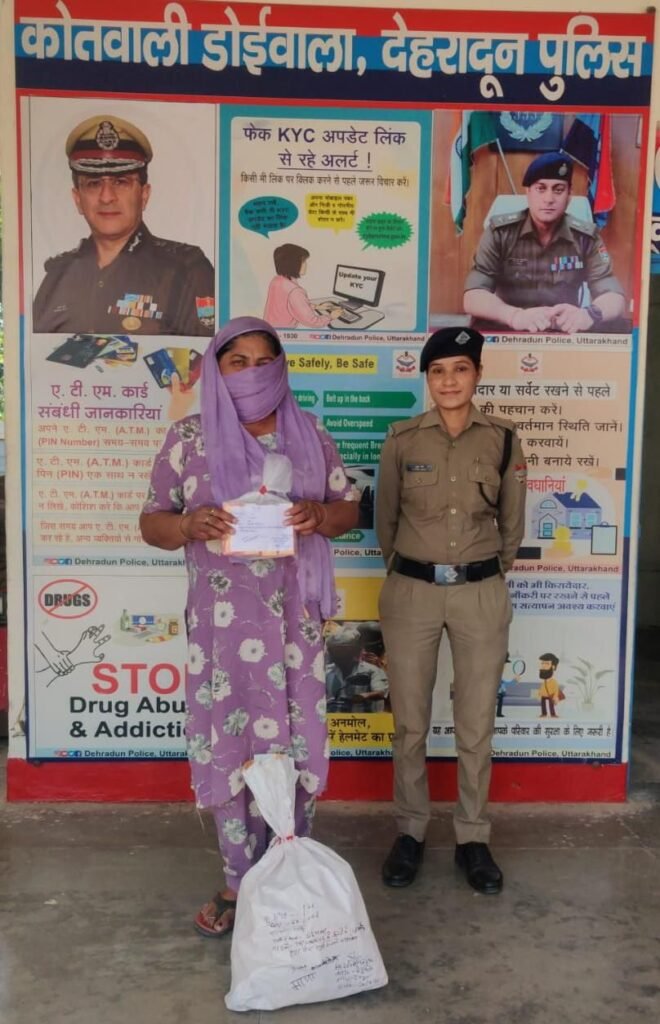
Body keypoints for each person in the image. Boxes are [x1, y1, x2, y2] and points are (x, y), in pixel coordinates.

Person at [139, 316, 357, 937]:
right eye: (238, 361)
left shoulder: (309, 435)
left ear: (281, 367)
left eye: (265, 361)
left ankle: (289, 866)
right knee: (231, 746)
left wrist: (319, 515)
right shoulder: (188, 439)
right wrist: (188, 525)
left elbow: (346, 508)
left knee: (296, 742)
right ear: (216, 369)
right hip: (223, 633)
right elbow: (152, 521)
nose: (253, 372)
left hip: (295, 626)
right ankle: (239, 880)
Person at [376, 326, 527, 895]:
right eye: (438, 371)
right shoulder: (402, 439)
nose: (449, 381)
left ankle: (472, 837)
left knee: (476, 722)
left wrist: (481, 572)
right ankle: (411, 831)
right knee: (410, 721)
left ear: (477, 375)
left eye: (460, 369)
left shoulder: (503, 439)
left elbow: (512, 524)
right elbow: (385, 521)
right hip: (412, 591)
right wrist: (415, 571)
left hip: (480, 592)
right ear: (427, 379)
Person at [33, 115, 215, 335]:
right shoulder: (58, 276)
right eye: (93, 184)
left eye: (121, 182)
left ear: (144, 195)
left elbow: (206, 354)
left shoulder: (185, 271)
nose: (106, 197)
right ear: (78, 199)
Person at [463, 152, 626, 334]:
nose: (549, 199)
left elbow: (614, 297)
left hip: (563, 333)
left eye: (558, 190)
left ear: (569, 195)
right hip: (509, 331)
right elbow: (473, 296)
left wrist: (588, 315)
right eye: (541, 189)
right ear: (528, 193)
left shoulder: (586, 237)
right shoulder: (500, 233)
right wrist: (514, 316)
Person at [263, 243, 342, 328]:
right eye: (303, 261)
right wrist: (331, 317)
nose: (306, 265)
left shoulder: (277, 280)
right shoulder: (295, 291)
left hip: (269, 329)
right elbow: (312, 321)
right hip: (283, 333)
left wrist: (317, 307)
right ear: (292, 264)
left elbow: (296, 305)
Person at [325, 626, 388, 713]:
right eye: (335, 651)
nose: (338, 655)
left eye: (343, 651)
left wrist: (364, 696)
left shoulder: (371, 670)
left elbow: (381, 692)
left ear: (354, 651)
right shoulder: (327, 672)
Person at [538, 652, 562, 718]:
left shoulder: (554, 682)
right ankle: (544, 713)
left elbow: (556, 690)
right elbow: (542, 688)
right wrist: (539, 694)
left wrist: (555, 697)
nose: (543, 666)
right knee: (543, 705)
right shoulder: (544, 681)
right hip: (543, 695)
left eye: (547, 664)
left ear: (553, 667)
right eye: (542, 663)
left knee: (551, 705)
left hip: (550, 695)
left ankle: (553, 714)